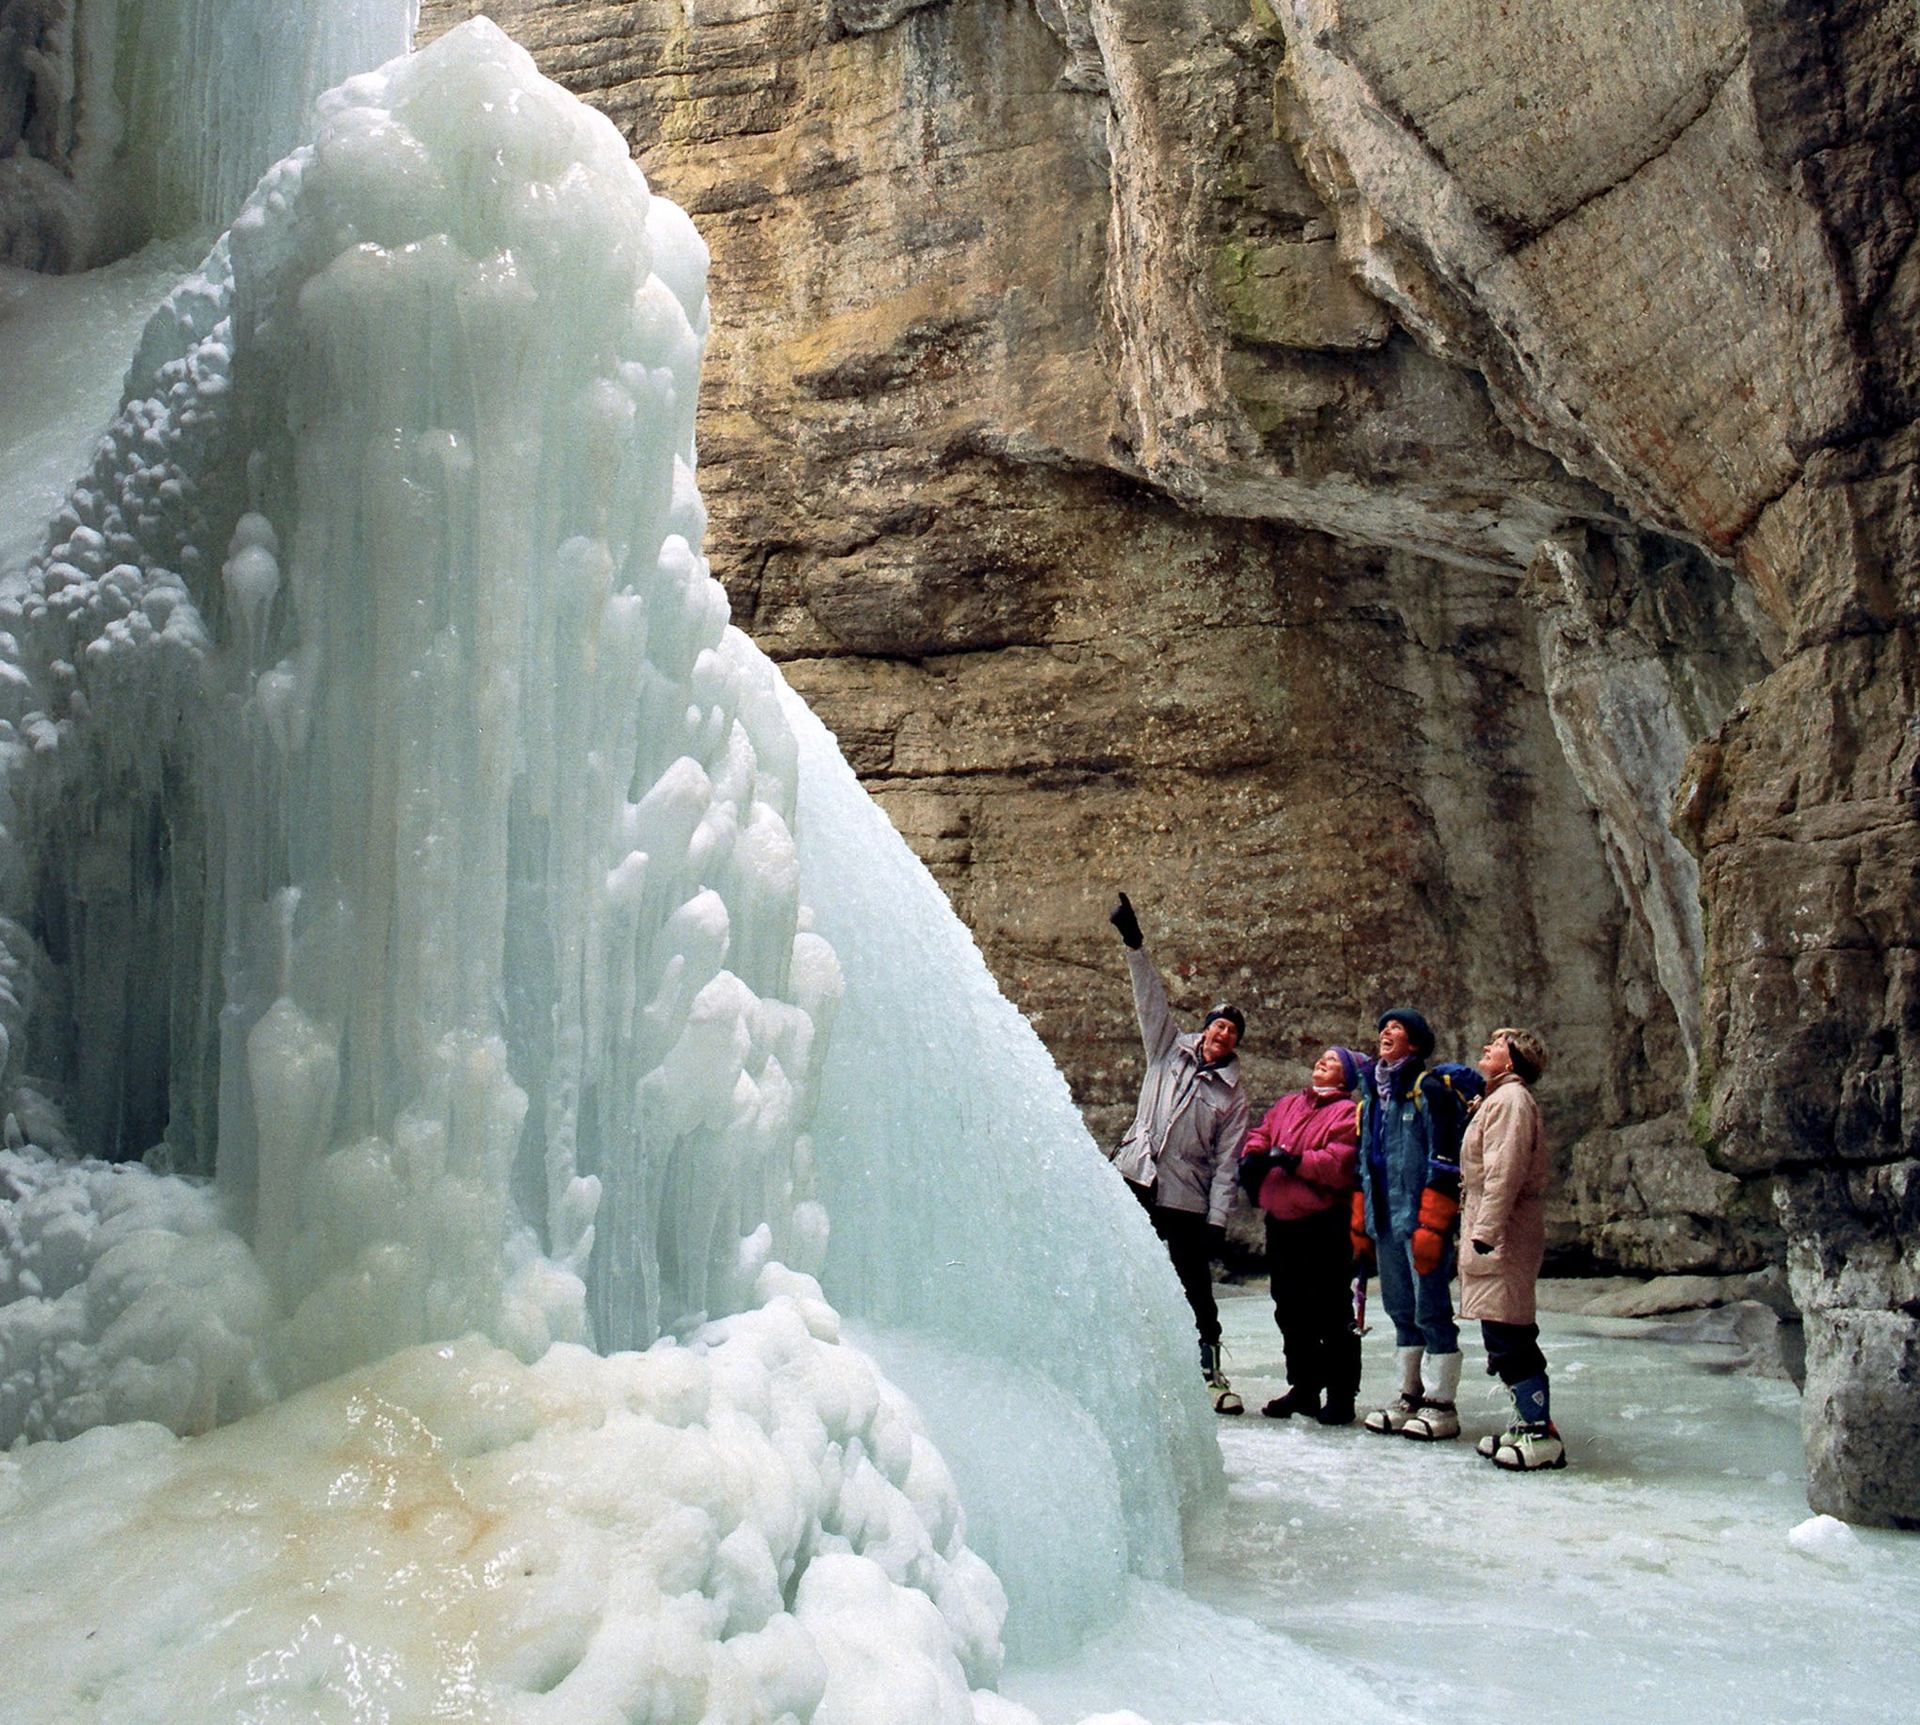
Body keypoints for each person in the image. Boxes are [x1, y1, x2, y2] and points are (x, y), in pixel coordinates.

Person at [1105, 892, 1251, 1414]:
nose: (1221, 1033)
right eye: (1217, 1024)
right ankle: (1115, 1355)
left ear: (1235, 1044)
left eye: (1231, 1030)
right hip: (1137, 1173)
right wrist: (1134, 944)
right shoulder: (1167, 1049)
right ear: (1205, 1028)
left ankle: (1207, 1364)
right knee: (1117, 1264)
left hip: (1185, 1194)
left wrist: (1217, 1217)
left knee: (1192, 1281)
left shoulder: (1233, 1097)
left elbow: (1228, 1161)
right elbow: (1150, 999)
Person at [1354, 1007, 1479, 1440]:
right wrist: (1361, 1216)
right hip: (1386, 1217)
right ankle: (1409, 1394)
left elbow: (1444, 1159)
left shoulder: (1428, 1090)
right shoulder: (1372, 1094)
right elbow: (1364, 1160)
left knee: (1431, 1309)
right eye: (1384, 1026)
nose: (1387, 1032)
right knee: (1400, 1308)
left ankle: (1441, 1402)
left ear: (1417, 1044)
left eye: (1398, 1028)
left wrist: (1435, 1220)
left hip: (1420, 1217)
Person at [1238, 1046, 1366, 1424]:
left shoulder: (1346, 1112)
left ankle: (1342, 1394)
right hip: (1282, 1221)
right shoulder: (1290, 1103)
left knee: (1330, 1307)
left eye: (1332, 1061)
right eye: (1322, 1058)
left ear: (1345, 1077)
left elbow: (1341, 1160)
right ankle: (1304, 1387)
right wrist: (1255, 1155)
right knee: (1290, 1307)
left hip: (1322, 1223)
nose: (1321, 1062)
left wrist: (1296, 1161)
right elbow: (1262, 1131)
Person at [1461, 1026, 1564, 1470]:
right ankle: (1525, 1423)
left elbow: (1505, 1171)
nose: (1487, 1047)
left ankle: (1539, 1431)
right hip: (1495, 1224)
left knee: (1511, 1330)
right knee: (1501, 1327)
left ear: (1514, 1059)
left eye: (1498, 1044)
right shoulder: (1499, 1098)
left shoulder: (1511, 1101)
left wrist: (1486, 1230)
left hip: (1503, 1228)